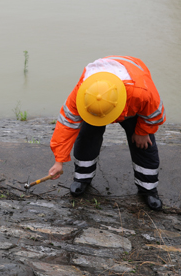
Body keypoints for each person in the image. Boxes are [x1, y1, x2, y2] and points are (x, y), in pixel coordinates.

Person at [47, 56, 165, 210]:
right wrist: (59, 161)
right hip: (97, 102)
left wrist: (143, 131)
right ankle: (83, 178)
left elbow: (156, 114)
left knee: (143, 144)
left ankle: (148, 189)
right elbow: (66, 125)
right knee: (87, 135)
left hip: (130, 100)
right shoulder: (82, 95)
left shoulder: (141, 93)